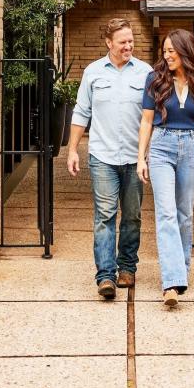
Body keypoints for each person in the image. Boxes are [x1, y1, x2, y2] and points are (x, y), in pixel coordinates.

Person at [68, 18, 152, 300]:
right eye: (123, 42)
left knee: (132, 216)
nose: (128, 46)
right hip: (102, 155)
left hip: (134, 157)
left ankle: (127, 267)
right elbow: (81, 113)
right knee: (104, 216)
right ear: (109, 43)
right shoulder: (93, 72)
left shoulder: (145, 72)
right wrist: (71, 150)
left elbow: (153, 118)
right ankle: (105, 276)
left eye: (131, 41)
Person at [137, 28, 194, 309]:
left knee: (184, 215)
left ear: (185, 51)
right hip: (161, 146)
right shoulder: (155, 80)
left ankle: (181, 273)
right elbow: (146, 122)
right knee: (167, 213)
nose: (167, 55)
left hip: (192, 147)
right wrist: (141, 157)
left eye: (172, 50)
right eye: (165, 50)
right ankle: (170, 281)